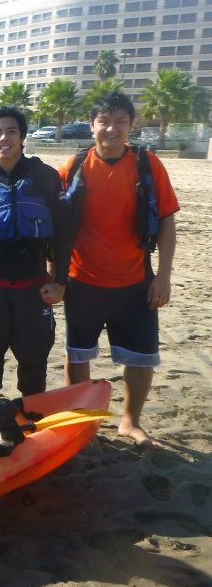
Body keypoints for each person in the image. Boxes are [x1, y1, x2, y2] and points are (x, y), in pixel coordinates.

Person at [59, 92, 178, 446]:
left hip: (135, 281)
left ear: (131, 125)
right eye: (104, 121)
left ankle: (130, 421)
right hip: (82, 282)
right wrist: (55, 277)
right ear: (92, 124)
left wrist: (164, 276)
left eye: (120, 122)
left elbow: (168, 223)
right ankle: (83, 420)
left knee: (141, 358)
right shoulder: (73, 167)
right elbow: (56, 228)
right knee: (78, 354)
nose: (111, 129)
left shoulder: (148, 165)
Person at [0, 106, 72, 400]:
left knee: (34, 360)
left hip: (34, 287)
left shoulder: (46, 177)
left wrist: (60, 281)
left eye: (12, 131)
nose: (4, 138)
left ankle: (32, 412)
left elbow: (63, 235)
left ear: (22, 137)